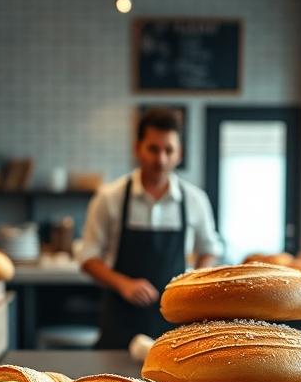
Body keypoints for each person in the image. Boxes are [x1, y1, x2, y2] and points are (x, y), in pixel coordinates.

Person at [78, 108, 224, 349]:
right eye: (153, 149)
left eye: (169, 150)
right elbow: (88, 258)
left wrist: (190, 285)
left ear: (180, 153)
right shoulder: (109, 197)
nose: (161, 159)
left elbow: (209, 249)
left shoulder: (195, 200)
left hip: (175, 324)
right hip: (121, 322)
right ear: (138, 149)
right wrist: (123, 284)